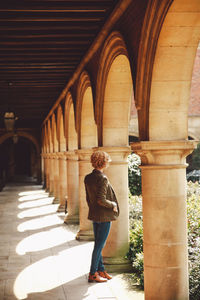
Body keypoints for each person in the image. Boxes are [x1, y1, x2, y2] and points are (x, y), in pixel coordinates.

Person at [84, 150, 119, 283]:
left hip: (94, 215)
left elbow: (88, 198)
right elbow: (101, 199)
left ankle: (101, 270)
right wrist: (113, 204)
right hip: (104, 216)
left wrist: (93, 210)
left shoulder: (88, 177)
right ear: (104, 162)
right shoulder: (103, 178)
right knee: (99, 246)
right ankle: (93, 273)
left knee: (98, 244)